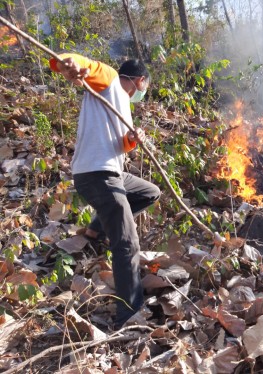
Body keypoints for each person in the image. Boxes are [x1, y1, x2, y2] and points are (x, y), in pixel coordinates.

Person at [49, 54, 161, 329]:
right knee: (127, 242)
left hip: (110, 172)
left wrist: (133, 140)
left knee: (150, 192)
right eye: (145, 87)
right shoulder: (110, 79)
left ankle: (96, 231)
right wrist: (66, 64)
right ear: (140, 81)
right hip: (97, 174)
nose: (143, 92)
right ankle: (129, 315)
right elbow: (70, 61)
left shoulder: (122, 103)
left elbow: (119, 145)